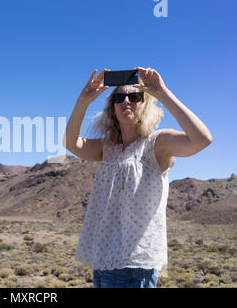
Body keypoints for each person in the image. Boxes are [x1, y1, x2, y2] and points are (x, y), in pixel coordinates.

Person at [63, 67, 213, 288]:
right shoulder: (106, 148)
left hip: (135, 266)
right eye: (119, 97)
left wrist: (162, 93)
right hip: (103, 261)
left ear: (144, 105)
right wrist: (82, 101)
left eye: (134, 96)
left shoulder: (157, 143)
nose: (126, 101)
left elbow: (202, 139)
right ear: (112, 108)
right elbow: (70, 143)